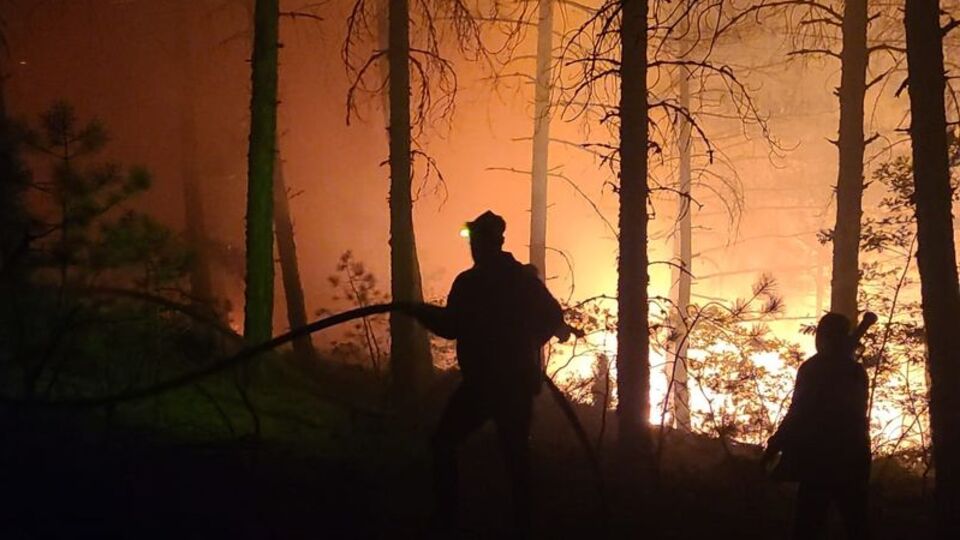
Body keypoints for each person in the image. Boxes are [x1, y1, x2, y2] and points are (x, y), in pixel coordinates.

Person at [403, 210, 571, 537]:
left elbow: (450, 327)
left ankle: (450, 519)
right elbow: (552, 317)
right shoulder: (518, 281)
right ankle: (517, 523)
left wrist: (420, 313)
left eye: (479, 240)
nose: (474, 247)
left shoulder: (474, 283)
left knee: (448, 444)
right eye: (473, 241)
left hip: (488, 386)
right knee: (513, 456)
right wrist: (533, 342)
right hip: (507, 385)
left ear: (492, 242)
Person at [765, 312, 871, 540]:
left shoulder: (814, 369)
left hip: (820, 461)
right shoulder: (855, 372)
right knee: (856, 526)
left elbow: (798, 413)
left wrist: (774, 447)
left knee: (807, 527)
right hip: (852, 460)